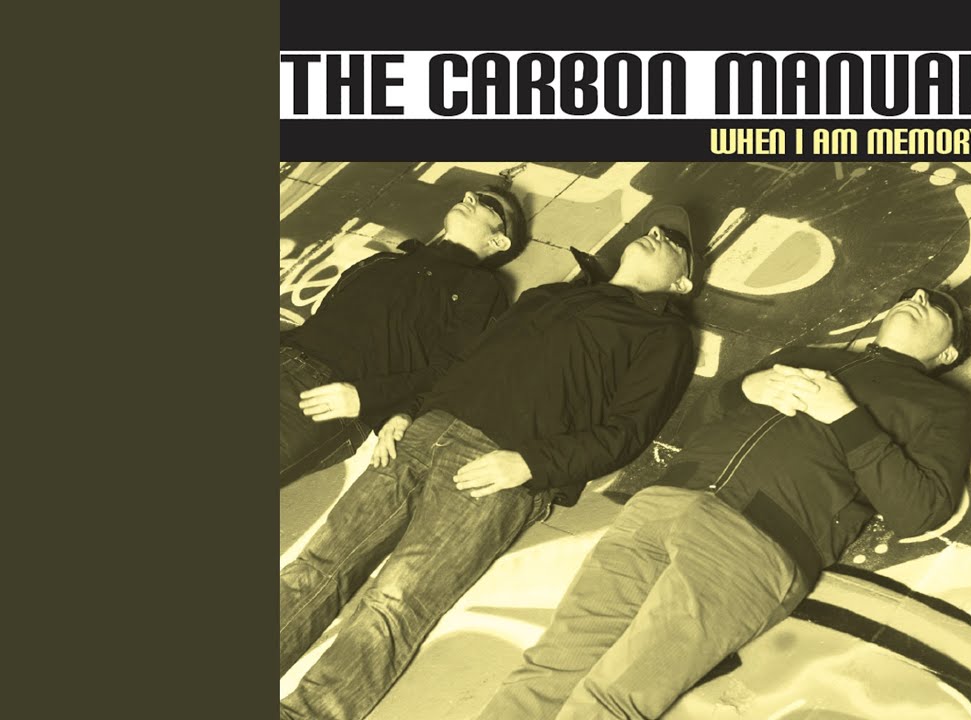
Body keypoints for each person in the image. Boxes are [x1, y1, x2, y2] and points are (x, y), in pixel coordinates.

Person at [278, 206, 706, 720]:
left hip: (498, 469)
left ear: (681, 283)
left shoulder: (663, 333)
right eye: (652, 228)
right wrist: (408, 412)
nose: (655, 233)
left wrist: (529, 465)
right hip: (423, 434)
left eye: (672, 240)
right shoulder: (550, 295)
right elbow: (467, 362)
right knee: (316, 568)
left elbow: (628, 432)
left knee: (394, 603)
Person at [478, 286, 971, 720]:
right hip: (661, 506)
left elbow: (922, 510)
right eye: (912, 294)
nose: (917, 298)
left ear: (949, 352)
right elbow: (699, 421)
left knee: (614, 697)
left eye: (936, 306)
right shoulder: (809, 354)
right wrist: (746, 388)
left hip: (753, 544)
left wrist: (845, 415)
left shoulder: (940, 405)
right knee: (546, 671)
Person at [279, 185, 529, 486]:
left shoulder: (480, 287)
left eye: (485, 202)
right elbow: (325, 317)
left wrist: (373, 401)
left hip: (324, 394)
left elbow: (451, 370)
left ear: (499, 240)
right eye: (468, 196)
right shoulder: (382, 261)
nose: (468, 198)